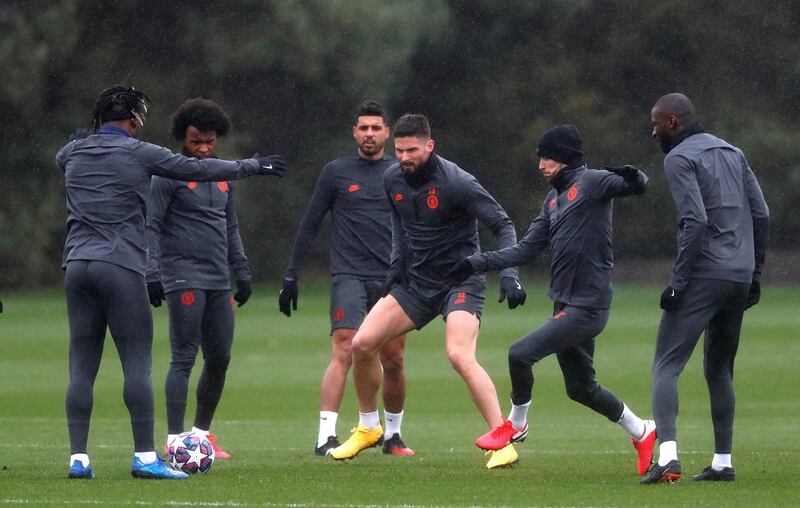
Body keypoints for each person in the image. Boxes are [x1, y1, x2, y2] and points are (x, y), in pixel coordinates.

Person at [56, 85, 286, 480]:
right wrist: (252, 166)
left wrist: (79, 141)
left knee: (81, 366)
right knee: (137, 364)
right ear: (132, 121)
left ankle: (78, 458)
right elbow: (198, 170)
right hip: (120, 264)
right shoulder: (140, 151)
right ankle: (146, 457)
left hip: (76, 265)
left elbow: (63, 156)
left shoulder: (72, 153)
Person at [447, 124, 657, 476]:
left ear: (565, 157)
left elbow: (638, 186)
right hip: (565, 304)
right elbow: (526, 249)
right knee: (581, 389)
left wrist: (633, 173)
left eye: (546, 157)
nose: (540, 164)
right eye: (539, 157)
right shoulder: (553, 201)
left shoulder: (592, 182)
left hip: (588, 307)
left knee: (519, 354)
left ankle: (515, 425)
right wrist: (475, 262)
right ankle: (643, 430)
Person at [328, 113, 527, 469]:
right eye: (400, 150)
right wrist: (395, 270)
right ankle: (369, 428)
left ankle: (502, 440)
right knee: (361, 343)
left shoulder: (457, 182)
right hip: (416, 284)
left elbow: (503, 224)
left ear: (430, 145)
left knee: (458, 354)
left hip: (460, 280)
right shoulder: (393, 179)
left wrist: (508, 273)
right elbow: (399, 227)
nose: (404, 157)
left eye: (412, 150)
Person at [641, 93, 769, 484]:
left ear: (673, 123)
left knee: (666, 365)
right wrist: (756, 274)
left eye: (657, 123)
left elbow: (694, 220)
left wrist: (678, 283)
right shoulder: (734, 152)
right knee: (719, 369)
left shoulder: (679, 158)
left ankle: (667, 458)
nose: (654, 131)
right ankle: (723, 462)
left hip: (705, 274)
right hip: (739, 274)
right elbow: (762, 213)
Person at [278, 100, 414, 456]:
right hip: (349, 275)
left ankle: (393, 435)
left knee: (394, 358)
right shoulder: (336, 172)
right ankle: (326, 435)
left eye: (376, 128)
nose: (369, 134)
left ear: (387, 132)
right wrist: (291, 275)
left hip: (393, 279)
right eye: (363, 128)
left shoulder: (400, 172)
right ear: (354, 132)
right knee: (345, 346)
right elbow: (310, 224)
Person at [146, 98, 253, 461]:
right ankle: (174, 440)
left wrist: (242, 270)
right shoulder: (167, 175)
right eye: (196, 142)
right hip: (181, 277)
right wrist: (152, 272)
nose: (204, 148)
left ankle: (201, 435)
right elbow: (151, 226)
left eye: (209, 141)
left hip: (218, 279)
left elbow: (230, 226)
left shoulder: (223, 175)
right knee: (184, 357)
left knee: (220, 358)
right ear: (183, 138)